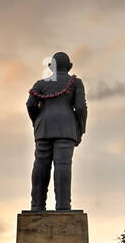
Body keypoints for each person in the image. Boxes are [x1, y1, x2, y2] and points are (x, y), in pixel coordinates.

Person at [27, 51, 87, 211]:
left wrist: (37, 122)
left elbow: (30, 105)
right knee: (63, 165)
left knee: (41, 164)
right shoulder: (75, 83)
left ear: (50, 67)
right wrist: (80, 129)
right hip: (66, 128)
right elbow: (80, 108)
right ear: (70, 67)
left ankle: (37, 205)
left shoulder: (40, 83)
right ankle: (63, 206)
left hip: (44, 129)